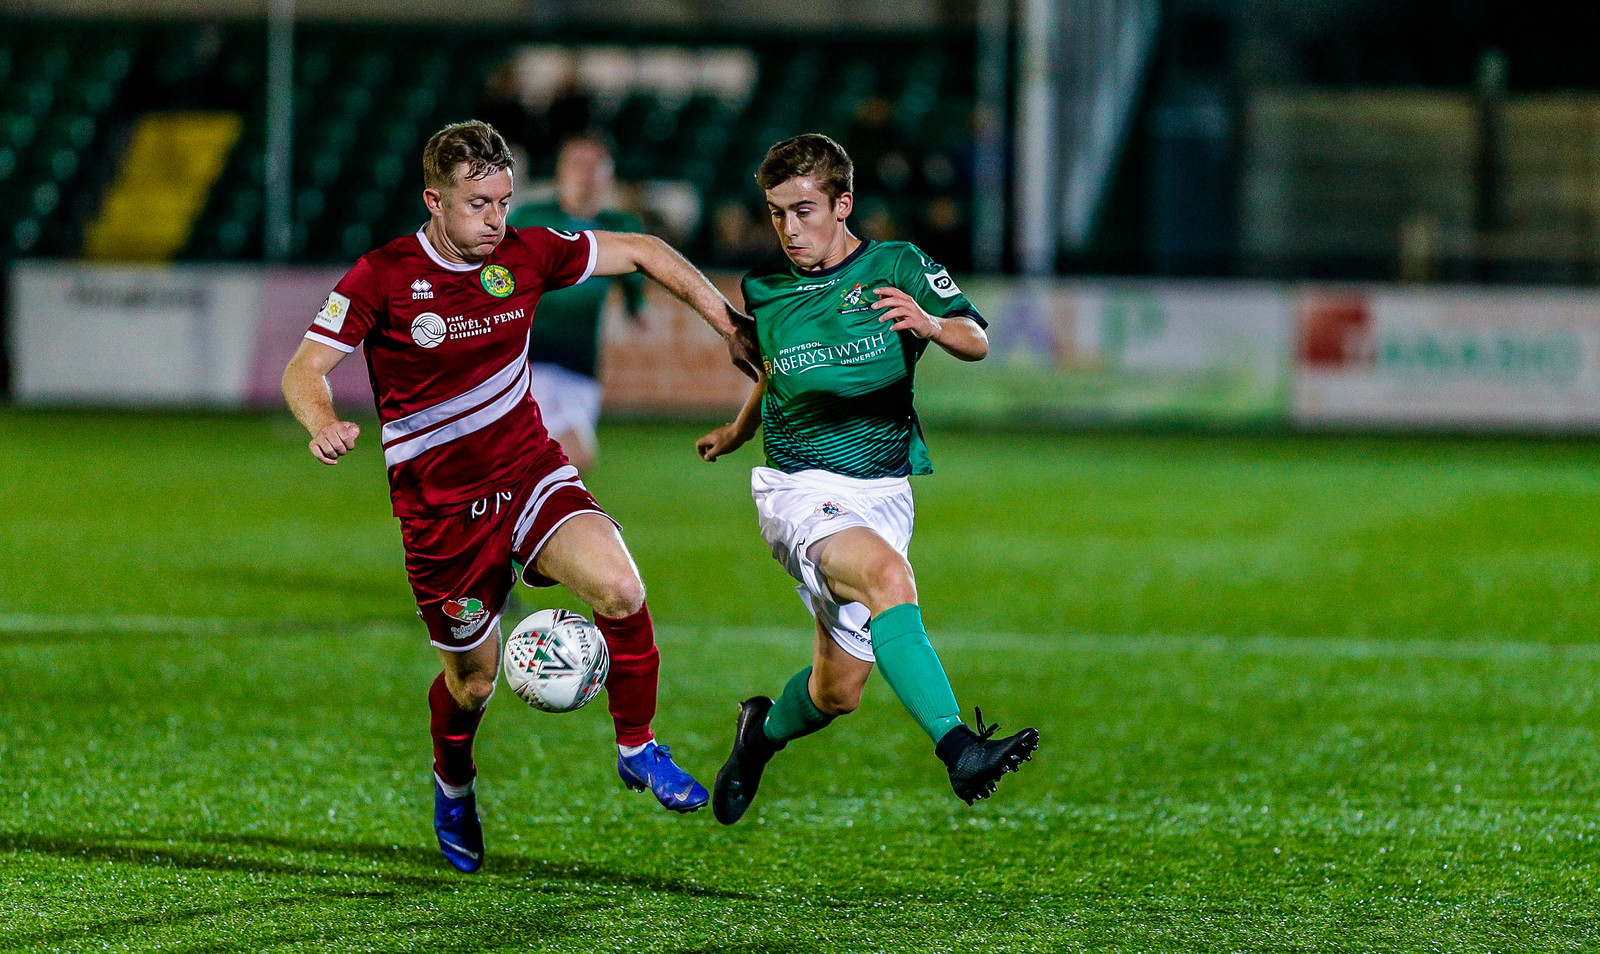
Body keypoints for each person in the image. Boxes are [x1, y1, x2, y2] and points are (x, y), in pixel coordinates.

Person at [280, 120, 758, 872]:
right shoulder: (383, 275)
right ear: (434, 200)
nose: (497, 220)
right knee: (471, 685)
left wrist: (726, 321)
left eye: (503, 201)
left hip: (529, 472)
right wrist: (324, 420)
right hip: (441, 519)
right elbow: (304, 369)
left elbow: (642, 250)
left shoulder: (525, 251)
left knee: (622, 588)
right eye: (478, 205)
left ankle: (638, 745)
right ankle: (453, 784)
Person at [695, 134, 1039, 825]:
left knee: (837, 692)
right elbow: (774, 369)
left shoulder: (897, 264)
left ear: (843, 203)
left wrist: (932, 325)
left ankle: (757, 736)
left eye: (803, 211)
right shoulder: (764, 286)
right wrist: (739, 432)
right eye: (776, 213)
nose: (789, 230)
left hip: (882, 492)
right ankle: (959, 749)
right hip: (797, 490)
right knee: (889, 580)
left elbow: (978, 338)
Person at [506, 132, 643, 472]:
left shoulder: (619, 228)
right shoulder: (529, 218)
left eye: (595, 166)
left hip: (582, 370)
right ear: (560, 171)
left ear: (608, 175)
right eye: (578, 164)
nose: (586, 174)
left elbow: (633, 282)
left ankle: (510, 515)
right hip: (532, 361)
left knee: (551, 461)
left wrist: (636, 310)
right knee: (575, 456)